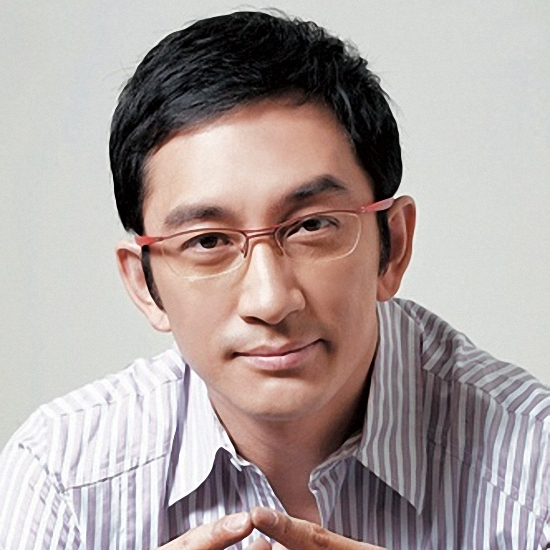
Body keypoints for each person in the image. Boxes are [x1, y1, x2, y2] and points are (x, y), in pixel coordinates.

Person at [0, 10, 548, 550]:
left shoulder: (534, 469)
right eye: (208, 241)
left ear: (394, 247)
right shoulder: (61, 476)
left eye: (311, 226)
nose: (270, 300)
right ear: (144, 285)